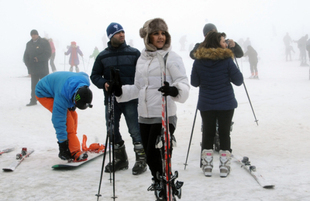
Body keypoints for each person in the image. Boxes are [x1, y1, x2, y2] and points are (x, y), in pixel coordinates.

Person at [113, 18, 189, 200]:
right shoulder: (142, 59)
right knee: (149, 156)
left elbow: (184, 84)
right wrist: (119, 91)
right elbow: (139, 87)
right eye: (156, 33)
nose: (160, 37)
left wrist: (174, 90)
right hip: (144, 116)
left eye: (163, 33)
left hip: (164, 115)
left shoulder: (172, 57)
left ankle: (166, 186)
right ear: (148, 37)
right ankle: (159, 183)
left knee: (157, 156)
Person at [91, 22, 147, 175]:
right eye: (118, 33)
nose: (122, 35)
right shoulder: (103, 56)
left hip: (131, 99)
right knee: (112, 130)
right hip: (111, 100)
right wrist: (105, 84)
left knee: (135, 130)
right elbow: (94, 76)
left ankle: (141, 159)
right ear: (110, 36)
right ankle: (120, 159)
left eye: (123, 32)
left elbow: (142, 75)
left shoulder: (134, 53)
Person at [191, 31, 243, 178]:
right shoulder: (226, 60)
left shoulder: (198, 60)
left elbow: (194, 82)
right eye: (223, 41)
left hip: (206, 103)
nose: (225, 43)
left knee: (208, 133)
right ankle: (224, 166)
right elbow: (238, 80)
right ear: (216, 43)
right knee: (224, 133)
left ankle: (207, 165)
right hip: (226, 103)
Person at [35, 71, 92, 161]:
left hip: (59, 87)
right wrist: (62, 144)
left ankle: (71, 142)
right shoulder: (62, 97)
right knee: (67, 121)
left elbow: (82, 74)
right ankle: (74, 151)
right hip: (44, 93)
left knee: (74, 115)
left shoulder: (84, 82)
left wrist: (73, 104)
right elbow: (58, 121)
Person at [23, 29, 51, 106]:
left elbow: (48, 53)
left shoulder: (44, 42)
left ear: (38, 35)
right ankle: (33, 100)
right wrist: (28, 65)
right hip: (33, 69)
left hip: (43, 68)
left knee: (45, 85)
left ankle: (48, 99)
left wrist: (39, 58)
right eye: (32, 35)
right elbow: (26, 56)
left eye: (35, 34)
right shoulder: (28, 44)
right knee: (34, 85)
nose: (33, 36)